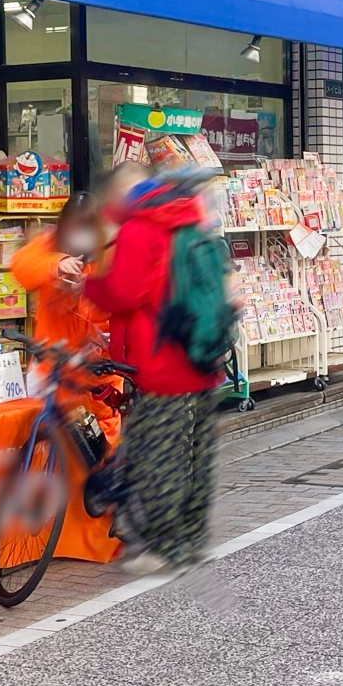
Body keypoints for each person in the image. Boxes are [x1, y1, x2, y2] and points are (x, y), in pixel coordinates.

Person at [83, 165, 228, 575]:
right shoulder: (191, 216)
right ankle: (193, 539)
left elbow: (124, 291)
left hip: (164, 362)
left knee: (159, 454)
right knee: (197, 453)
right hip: (203, 355)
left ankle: (165, 546)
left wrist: (88, 287)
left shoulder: (142, 226)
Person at [11, 192, 121, 452]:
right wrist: (57, 264)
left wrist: (92, 291)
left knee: (100, 446)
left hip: (95, 373)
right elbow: (22, 265)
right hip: (53, 367)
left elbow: (118, 303)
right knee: (48, 445)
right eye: (73, 228)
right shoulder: (49, 245)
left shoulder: (110, 255)